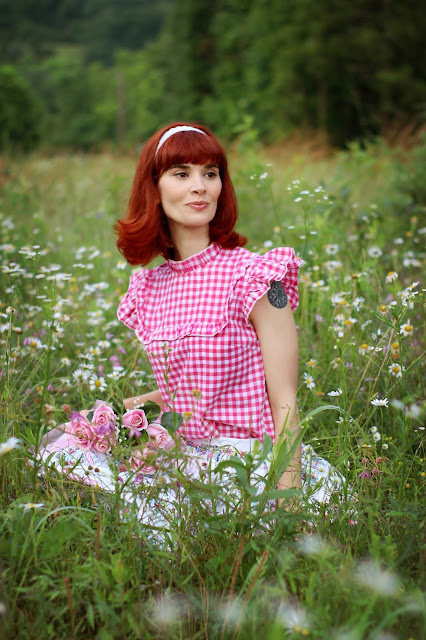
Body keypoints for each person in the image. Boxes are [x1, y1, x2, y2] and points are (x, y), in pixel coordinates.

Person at [39, 123, 347, 530]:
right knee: (58, 448)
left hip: (247, 460)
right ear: (155, 187)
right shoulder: (151, 287)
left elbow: (285, 401)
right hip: (184, 454)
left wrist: (286, 506)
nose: (199, 186)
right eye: (181, 174)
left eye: (210, 173)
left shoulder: (254, 275)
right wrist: (101, 417)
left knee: (179, 527)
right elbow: (180, 395)